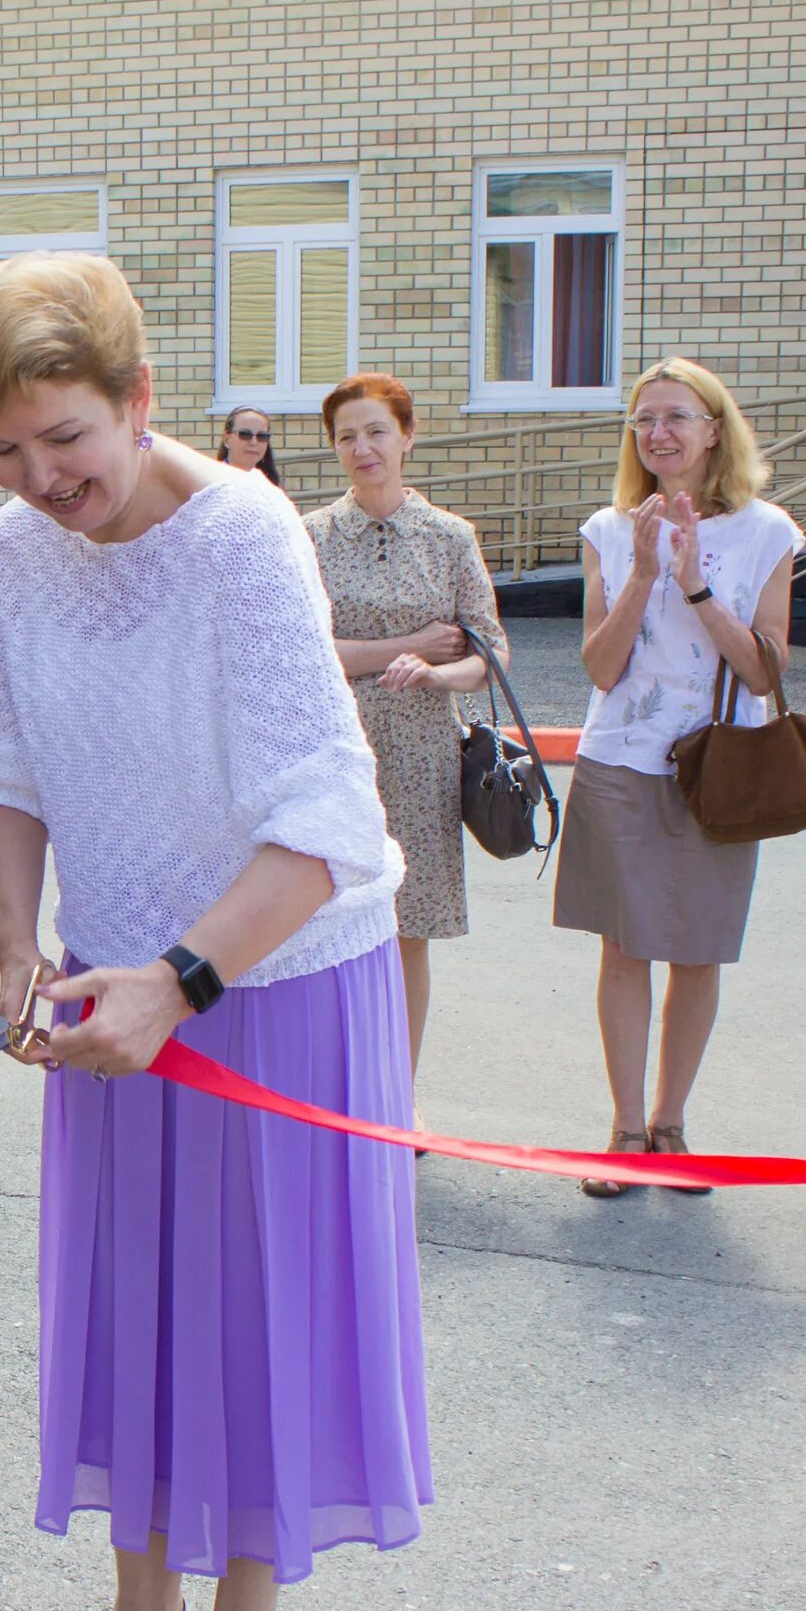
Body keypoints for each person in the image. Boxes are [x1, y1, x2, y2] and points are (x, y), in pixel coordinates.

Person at [0, 253, 426, 1611]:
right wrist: (26, 944)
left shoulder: (248, 541)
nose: (40, 480)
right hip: (108, 998)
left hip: (265, 985)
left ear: (141, 401)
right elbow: (1, 762)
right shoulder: (17, 548)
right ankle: (141, 1605)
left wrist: (181, 983)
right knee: (138, 1315)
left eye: (66, 438)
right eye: (6, 452)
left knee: (256, 1323)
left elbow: (329, 822)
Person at [552, 358, 800, 1194]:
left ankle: (672, 1126)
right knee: (623, 949)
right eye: (644, 419)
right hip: (620, 760)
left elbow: (765, 674)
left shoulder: (767, 532)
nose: (658, 433)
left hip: (718, 769)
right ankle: (624, 1131)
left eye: (676, 417)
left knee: (696, 954)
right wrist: (646, 573)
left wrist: (695, 586)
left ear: (714, 430)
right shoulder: (606, 529)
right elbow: (599, 666)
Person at [307, 373, 507, 1085]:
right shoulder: (311, 536)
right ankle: (332, 1090)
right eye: (346, 437)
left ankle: (396, 1095)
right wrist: (411, 644)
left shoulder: (450, 538)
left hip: (423, 749)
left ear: (408, 436)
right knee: (322, 922)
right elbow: (297, 650)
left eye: (376, 432)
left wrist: (435, 674)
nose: (363, 449)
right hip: (331, 749)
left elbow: (489, 654)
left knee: (406, 933)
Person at [216, 405, 283, 487]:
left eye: (262, 436)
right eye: (244, 434)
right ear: (226, 439)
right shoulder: (209, 481)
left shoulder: (269, 486)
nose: (254, 442)